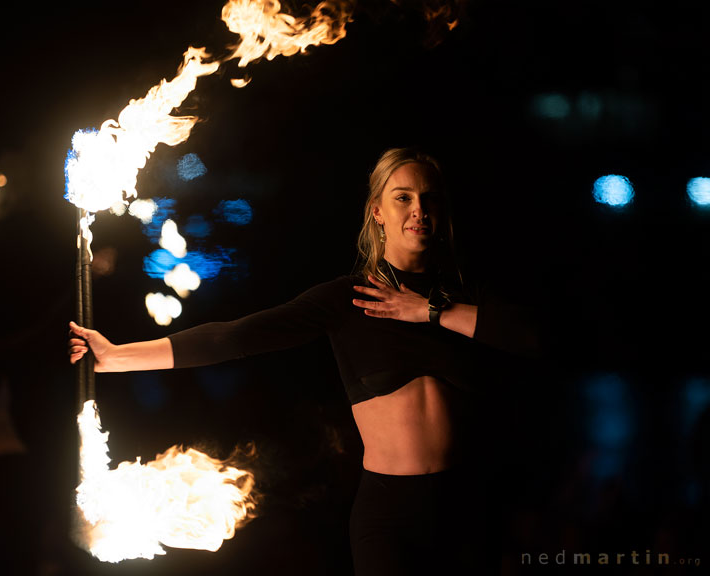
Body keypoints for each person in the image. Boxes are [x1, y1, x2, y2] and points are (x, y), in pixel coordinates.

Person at [69, 147, 539, 575]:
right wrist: (116, 358)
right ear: (377, 211)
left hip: (470, 503)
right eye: (403, 197)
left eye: (429, 198)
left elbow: (537, 339)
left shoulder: (467, 295)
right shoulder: (347, 299)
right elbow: (234, 338)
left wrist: (428, 311)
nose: (419, 210)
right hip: (390, 514)